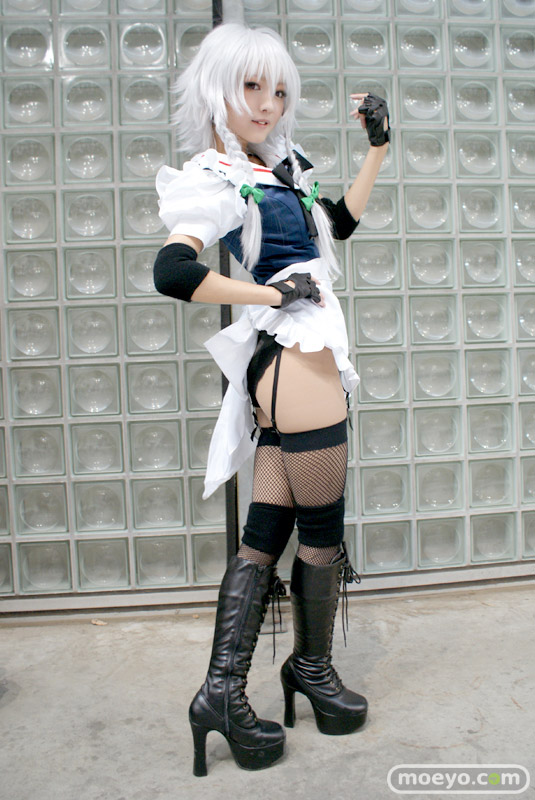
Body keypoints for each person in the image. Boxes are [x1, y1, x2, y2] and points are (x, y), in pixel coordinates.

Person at [153, 22, 390, 777]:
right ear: (217, 91)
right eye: (251, 86)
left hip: (288, 364)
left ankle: (222, 693)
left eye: (279, 90)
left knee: (266, 533)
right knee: (320, 532)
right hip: (297, 359)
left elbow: (337, 227)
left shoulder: (282, 166)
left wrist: (377, 151)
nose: (266, 103)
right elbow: (172, 271)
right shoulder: (217, 176)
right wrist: (271, 293)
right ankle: (310, 670)